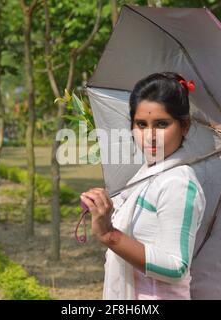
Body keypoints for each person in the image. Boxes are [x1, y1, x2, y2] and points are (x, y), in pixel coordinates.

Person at [80, 72, 206, 300]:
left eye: (161, 124)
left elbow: (176, 267)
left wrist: (110, 235)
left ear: (184, 126)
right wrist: (103, 210)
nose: (150, 136)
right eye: (141, 124)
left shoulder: (178, 182)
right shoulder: (145, 176)